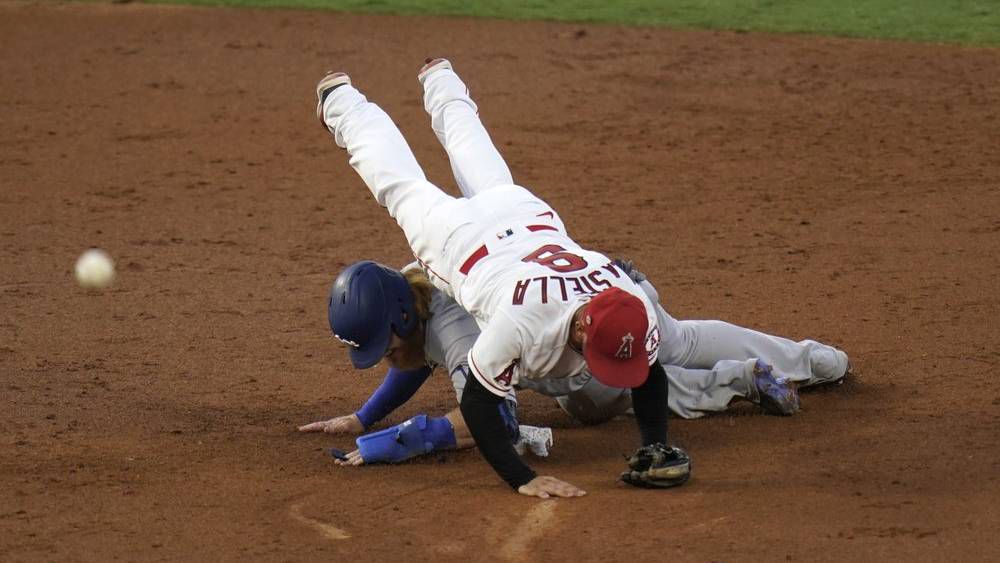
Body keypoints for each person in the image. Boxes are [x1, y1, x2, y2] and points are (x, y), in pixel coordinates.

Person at [315, 58, 688, 498]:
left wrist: (655, 444)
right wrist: (523, 480)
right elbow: (477, 402)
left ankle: (435, 80)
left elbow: (649, 371)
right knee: (401, 184)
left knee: (476, 158)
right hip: (454, 239)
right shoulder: (521, 321)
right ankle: (342, 102)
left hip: (524, 217)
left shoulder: (625, 301)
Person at [300, 256, 850, 465]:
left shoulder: (463, 340)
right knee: (677, 339)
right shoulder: (422, 276)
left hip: (585, 334)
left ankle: (734, 381)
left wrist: (385, 444)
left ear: (402, 321)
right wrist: (363, 416)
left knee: (595, 397)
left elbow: (490, 419)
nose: (387, 360)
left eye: (386, 349)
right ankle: (814, 360)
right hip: (605, 289)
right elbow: (416, 359)